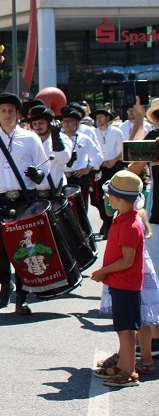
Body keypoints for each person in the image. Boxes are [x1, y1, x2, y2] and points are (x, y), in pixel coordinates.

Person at [0, 94, 48, 314]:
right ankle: (5, 284)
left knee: (26, 247)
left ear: (18, 114)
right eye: (3, 111)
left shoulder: (30, 139)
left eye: (11, 111)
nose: (7, 115)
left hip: (25, 199)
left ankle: (23, 292)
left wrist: (38, 174)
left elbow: (45, 167)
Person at [91, 171, 146, 387]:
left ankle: (128, 371)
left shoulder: (129, 225)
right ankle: (124, 365)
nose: (107, 198)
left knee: (126, 329)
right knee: (122, 327)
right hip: (120, 283)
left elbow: (127, 260)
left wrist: (104, 271)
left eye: (109, 195)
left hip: (126, 284)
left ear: (119, 199)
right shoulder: (123, 218)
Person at [93, 107, 126, 237]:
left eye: (101, 117)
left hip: (114, 166)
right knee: (97, 198)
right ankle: (105, 220)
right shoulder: (93, 132)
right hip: (99, 167)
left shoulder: (116, 132)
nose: (99, 120)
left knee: (113, 195)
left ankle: (109, 223)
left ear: (107, 118)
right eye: (97, 118)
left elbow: (123, 149)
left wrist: (115, 159)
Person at [26, 106, 70, 194]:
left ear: (50, 123)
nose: (38, 126)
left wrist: (56, 137)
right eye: (35, 124)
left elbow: (64, 159)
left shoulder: (63, 138)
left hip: (57, 191)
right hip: (35, 194)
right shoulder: (28, 141)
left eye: (41, 123)